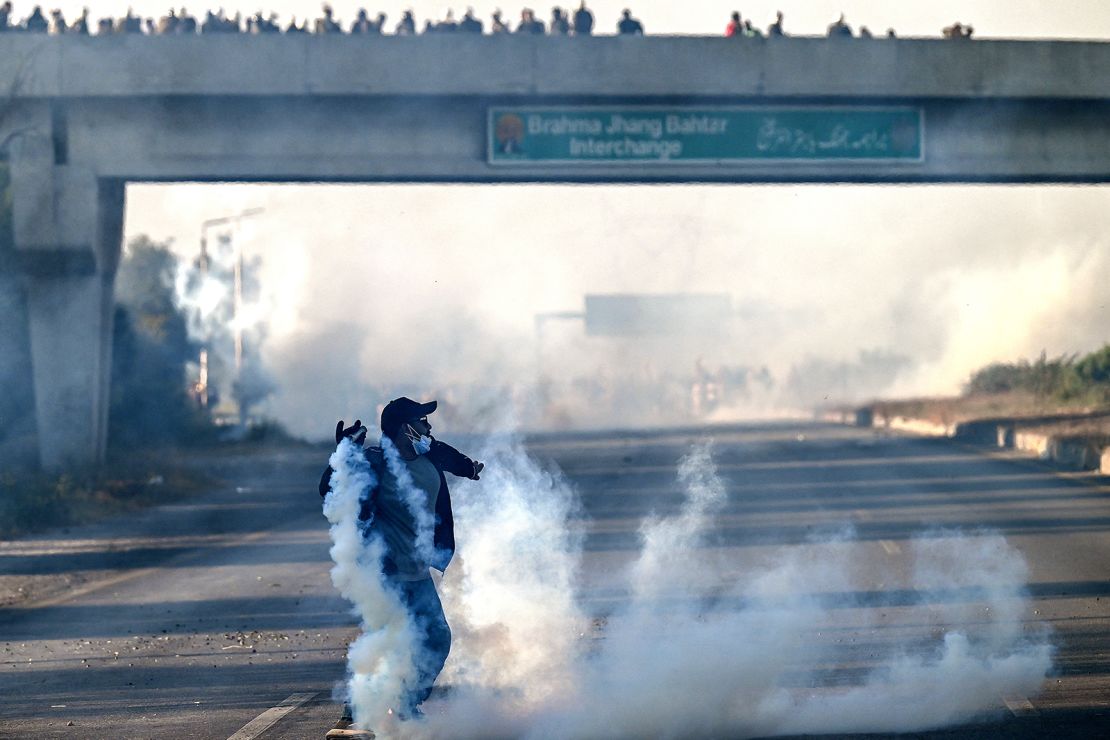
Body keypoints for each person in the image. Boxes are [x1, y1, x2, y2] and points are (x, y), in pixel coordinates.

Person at [319, 398, 484, 737]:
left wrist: (468, 467)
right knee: (387, 640)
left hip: (418, 570)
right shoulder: (375, 462)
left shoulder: (428, 454)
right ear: (404, 428)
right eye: (423, 422)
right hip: (385, 570)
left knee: (437, 638)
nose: (429, 427)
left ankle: (407, 703)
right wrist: (343, 454)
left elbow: (448, 455)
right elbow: (330, 488)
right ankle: (353, 716)